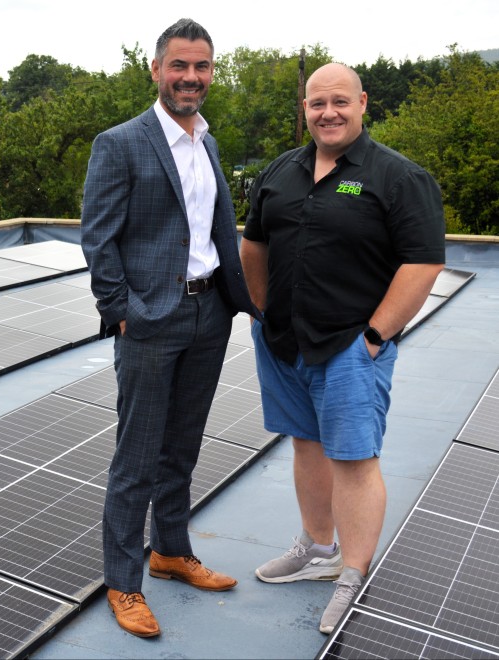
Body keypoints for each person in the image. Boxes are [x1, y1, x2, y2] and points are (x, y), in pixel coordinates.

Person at [240, 62, 445, 634]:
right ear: (304, 109)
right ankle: (317, 548)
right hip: (284, 342)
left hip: (350, 346)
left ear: (362, 103)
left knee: (354, 459)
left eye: (339, 102)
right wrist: (262, 311)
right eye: (317, 103)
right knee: (307, 445)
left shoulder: (398, 177)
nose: (328, 113)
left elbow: (423, 263)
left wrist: (375, 338)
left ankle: (352, 574)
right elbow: (254, 244)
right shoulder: (281, 171)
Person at [81, 17, 260, 638]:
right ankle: (123, 582)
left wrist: (237, 302)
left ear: (211, 72)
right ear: (156, 70)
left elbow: (214, 229)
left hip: (209, 315)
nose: (190, 77)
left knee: (182, 446)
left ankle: (170, 551)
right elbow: (98, 238)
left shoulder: (206, 142)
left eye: (201, 66)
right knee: (137, 457)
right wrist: (122, 311)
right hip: (150, 320)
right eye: (179, 65)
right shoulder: (120, 143)